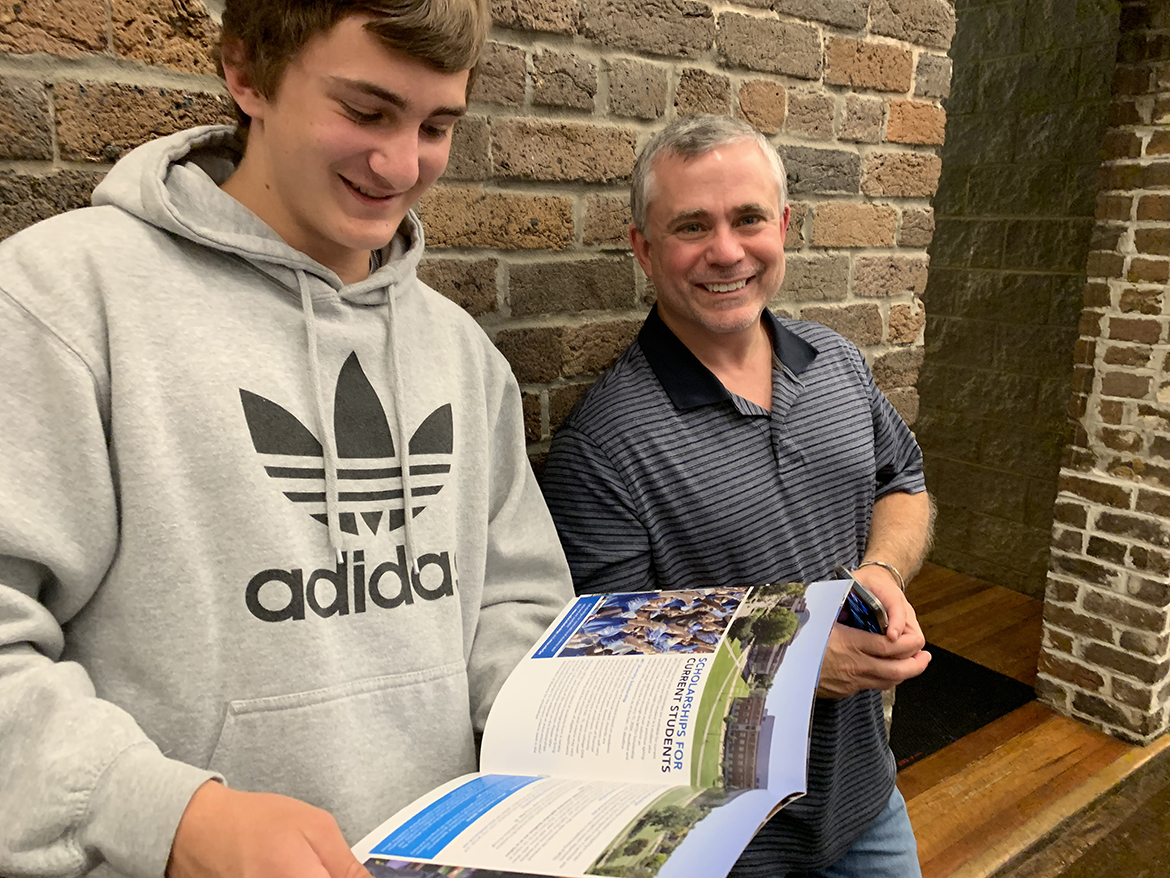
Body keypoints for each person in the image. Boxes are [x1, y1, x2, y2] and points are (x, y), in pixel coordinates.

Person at [0, 2, 574, 877]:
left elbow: (512, 604)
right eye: (366, 111)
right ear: (245, 74)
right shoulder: (58, 302)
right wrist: (171, 817)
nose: (400, 163)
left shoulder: (459, 350)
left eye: (436, 125)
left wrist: (566, 738)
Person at [541, 114, 934, 877]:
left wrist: (882, 570)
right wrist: (789, 669)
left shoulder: (839, 367)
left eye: (748, 218)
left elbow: (903, 484)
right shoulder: (603, 444)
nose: (726, 250)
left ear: (782, 227)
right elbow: (601, 670)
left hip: (865, 800)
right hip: (720, 842)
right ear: (643, 250)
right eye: (692, 226)